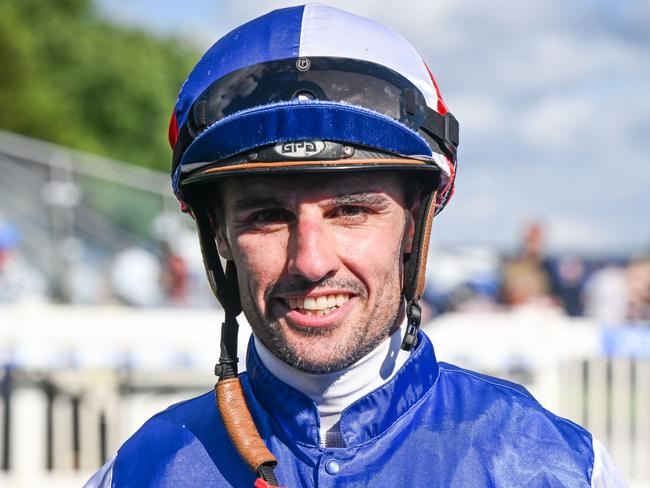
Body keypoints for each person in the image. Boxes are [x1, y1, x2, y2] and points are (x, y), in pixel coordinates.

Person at [86, 5, 626, 487]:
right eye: (268, 216)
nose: (311, 261)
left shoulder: (555, 467)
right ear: (219, 234)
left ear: (415, 222)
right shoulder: (141, 471)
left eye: (351, 210)